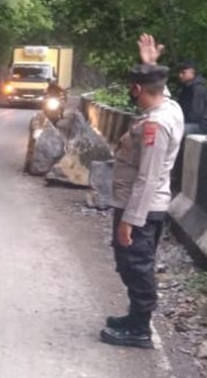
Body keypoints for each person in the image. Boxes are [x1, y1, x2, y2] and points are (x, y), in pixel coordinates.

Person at [100, 34, 184, 350]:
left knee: (135, 263)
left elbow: (147, 178)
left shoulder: (155, 125)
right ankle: (135, 317)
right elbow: (161, 89)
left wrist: (129, 221)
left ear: (136, 90)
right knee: (132, 261)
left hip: (142, 208)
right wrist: (150, 65)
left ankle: (140, 328)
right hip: (143, 206)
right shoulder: (169, 106)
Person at [176, 61, 207, 135]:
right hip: (188, 123)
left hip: (200, 125)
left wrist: (179, 121)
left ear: (192, 72)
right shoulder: (185, 89)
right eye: (179, 73)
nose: (180, 75)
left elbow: (196, 115)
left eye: (183, 72)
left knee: (176, 131)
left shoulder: (198, 89)